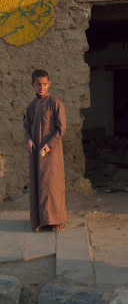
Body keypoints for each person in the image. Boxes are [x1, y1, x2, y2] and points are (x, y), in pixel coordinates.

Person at [23, 69, 67, 232]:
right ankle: (39, 220)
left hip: (51, 152)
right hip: (35, 153)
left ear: (49, 84)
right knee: (37, 184)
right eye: (38, 84)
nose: (41, 87)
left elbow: (61, 128)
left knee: (52, 184)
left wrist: (49, 145)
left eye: (44, 84)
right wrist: (28, 139)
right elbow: (26, 127)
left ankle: (57, 219)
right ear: (32, 85)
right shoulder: (31, 106)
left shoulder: (55, 103)